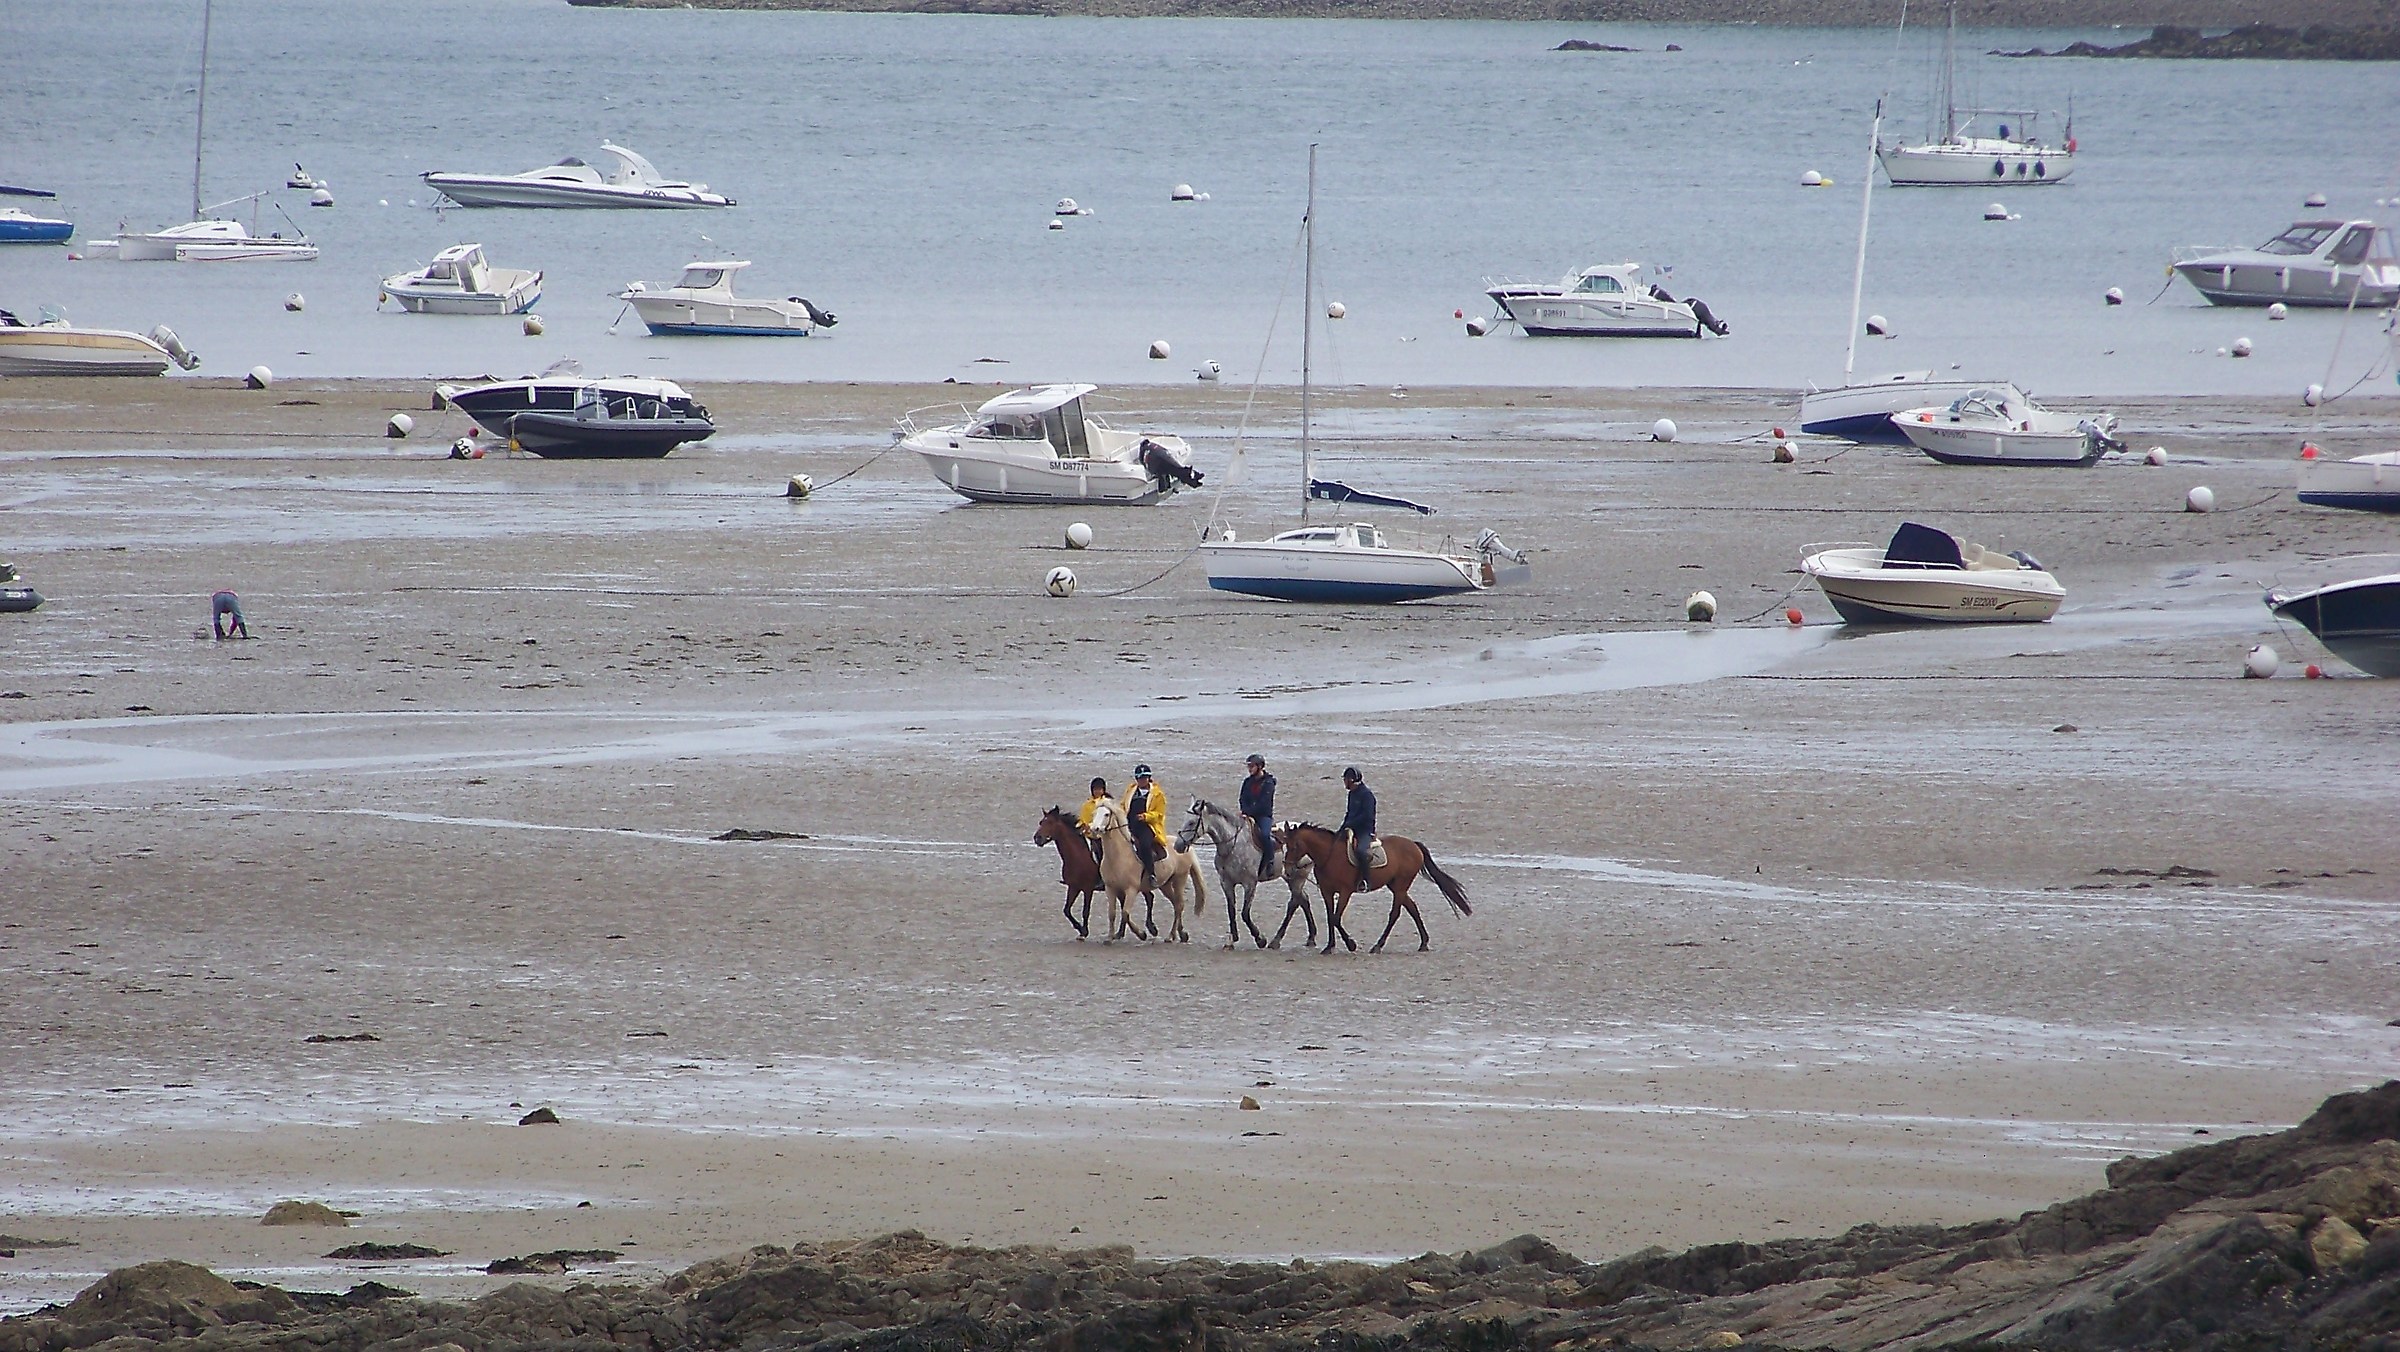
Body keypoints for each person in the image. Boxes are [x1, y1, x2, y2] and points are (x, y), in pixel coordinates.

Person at [1123, 764, 1168, 890]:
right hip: (1129, 824)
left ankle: (1151, 873)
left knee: (1144, 845)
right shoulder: (1131, 791)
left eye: (1144, 778)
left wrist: (1146, 816)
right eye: (1139, 778)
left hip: (1147, 827)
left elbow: (1160, 814)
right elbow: (1123, 805)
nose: (1142, 781)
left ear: (1149, 778)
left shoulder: (1158, 794)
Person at [1238, 754, 1277, 875]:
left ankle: (1270, 860)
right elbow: (1242, 798)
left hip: (1263, 816)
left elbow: (1263, 804)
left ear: (1259, 767)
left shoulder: (1268, 783)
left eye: (1252, 766)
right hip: (1247, 815)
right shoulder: (1247, 782)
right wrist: (1244, 811)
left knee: (1265, 835)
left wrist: (1248, 812)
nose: (1249, 769)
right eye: (1248, 766)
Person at [1338, 766, 1376, 874]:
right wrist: (1342, 828)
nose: (1344, 782)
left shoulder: (1367, 795)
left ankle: (1365, 879)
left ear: (1351, 780)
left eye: (1345, 780)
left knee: (1361, 851)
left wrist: (1350, 824)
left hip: (1365, 831)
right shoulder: (1352, 794)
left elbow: (1367, 816)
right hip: (1351, 828)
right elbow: (1349, 813)